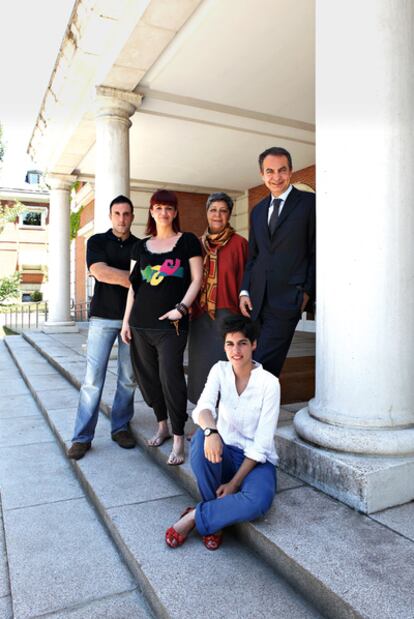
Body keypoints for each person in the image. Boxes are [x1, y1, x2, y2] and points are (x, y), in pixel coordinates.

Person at [165, 314, 280, 550]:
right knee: (200, 441)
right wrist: (211, 432)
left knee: (259, 501)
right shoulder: (220, 370)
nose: (235, 350)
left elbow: (262, 445)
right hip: (224, 452)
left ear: (254, 344)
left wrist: (235, 484)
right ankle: (215, 522)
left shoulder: (269, 383)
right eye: (230, 344)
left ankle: (196, 516)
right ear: (224, 346)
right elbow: (203, 408)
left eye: (242, 343)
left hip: (256, 462)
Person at [121, 190, 203, 465]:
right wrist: (126, 322)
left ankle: (179, 438)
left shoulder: (187, 242)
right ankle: (162, 425)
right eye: (158, 208)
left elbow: (196, 280)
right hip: (140, 324)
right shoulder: (140, 247)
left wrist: (181, 308)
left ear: (175, 212)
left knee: (172, 378)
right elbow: (134, 288)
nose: (164, 213)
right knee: (148, 378)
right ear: (152, 212)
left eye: (169, 208)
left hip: (173, 325)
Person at [68, 195, 138, 460]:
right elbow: (100, 272)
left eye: (126, 214)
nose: (122, 218)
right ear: (111, 216)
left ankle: (120, 427)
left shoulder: (140, 246)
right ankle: (82, 437)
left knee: (128, 378)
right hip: (101, 318)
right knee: (92, 380)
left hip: (130, 320)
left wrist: (121, 276)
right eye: (117, 213)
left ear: (132, 216)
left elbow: (123, 277)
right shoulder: (96, 241)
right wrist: (133, 279)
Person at [239, 147, 315, 378]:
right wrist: (244, 290)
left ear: (290, 171)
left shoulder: (310, 203)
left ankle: (251, 411)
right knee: (252, 360)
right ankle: (258, 411)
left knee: (263, 364)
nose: (276, 177)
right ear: (262, 175)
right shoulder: (258, 210)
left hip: (288, 297)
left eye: (282, 170)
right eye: (270, 171)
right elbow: (254, 256)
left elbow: (315, 251)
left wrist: (306, 293)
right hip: (256, 300)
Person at [187, 192, 248, 403]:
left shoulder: (240, 244)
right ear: (207, 213)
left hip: (228, 315)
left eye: (223, 211)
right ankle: (202, 417)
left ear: (229, 214)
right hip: (199, 314)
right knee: (200, 366)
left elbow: (246, 280)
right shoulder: (196, 244)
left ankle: (226, 416)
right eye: (213, 210)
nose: (217, 215)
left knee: (227, 368)